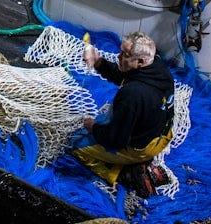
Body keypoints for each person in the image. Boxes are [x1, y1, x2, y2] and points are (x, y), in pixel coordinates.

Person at [71, 31, 175, 187]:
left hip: (142, 148)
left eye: (125, 55)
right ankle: (137, 162)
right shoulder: (157, 67)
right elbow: (124, 76)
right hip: (162, 134)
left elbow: (115, 140)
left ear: (140, 61)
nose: (118, 57)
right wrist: (98, 62)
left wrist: (92, 126)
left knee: (77, 144)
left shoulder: (132, 94)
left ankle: (125, 174)